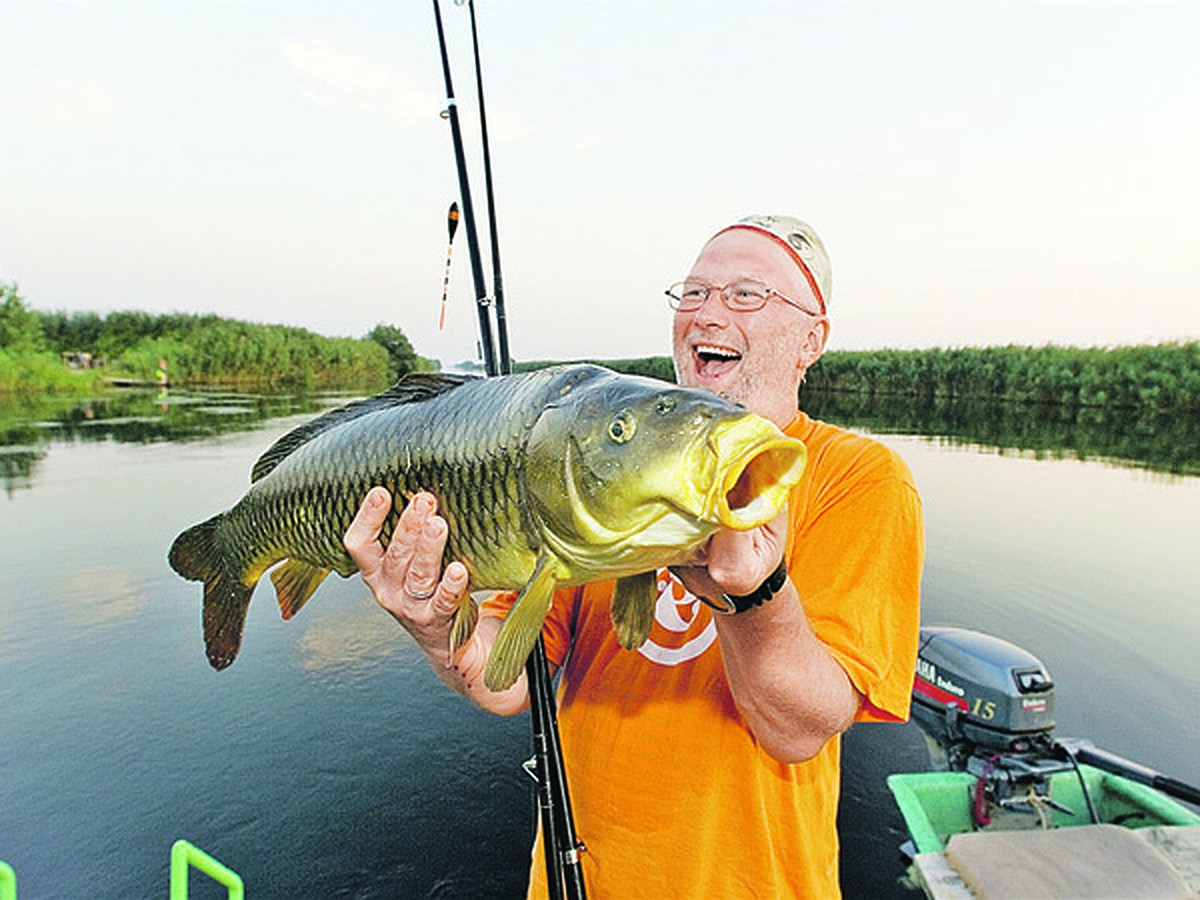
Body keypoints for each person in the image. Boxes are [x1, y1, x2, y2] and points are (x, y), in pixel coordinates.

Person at [343, 214, 924, 898]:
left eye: (745, 295)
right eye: (694, 293)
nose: (708, 313)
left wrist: (753, 594)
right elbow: (510, 683)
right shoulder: (590, 462)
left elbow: (800, 728)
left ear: (811, 339)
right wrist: (441, 633)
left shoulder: (858, 476)